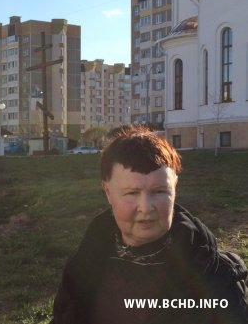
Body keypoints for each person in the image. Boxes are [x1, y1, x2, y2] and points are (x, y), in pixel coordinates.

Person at [51, 126, 247, 324]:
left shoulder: (216, 274)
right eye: (131, 193)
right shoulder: (82, 265)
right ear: (108, 191)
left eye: (160, 191)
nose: (146, 208)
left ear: (175, 188)